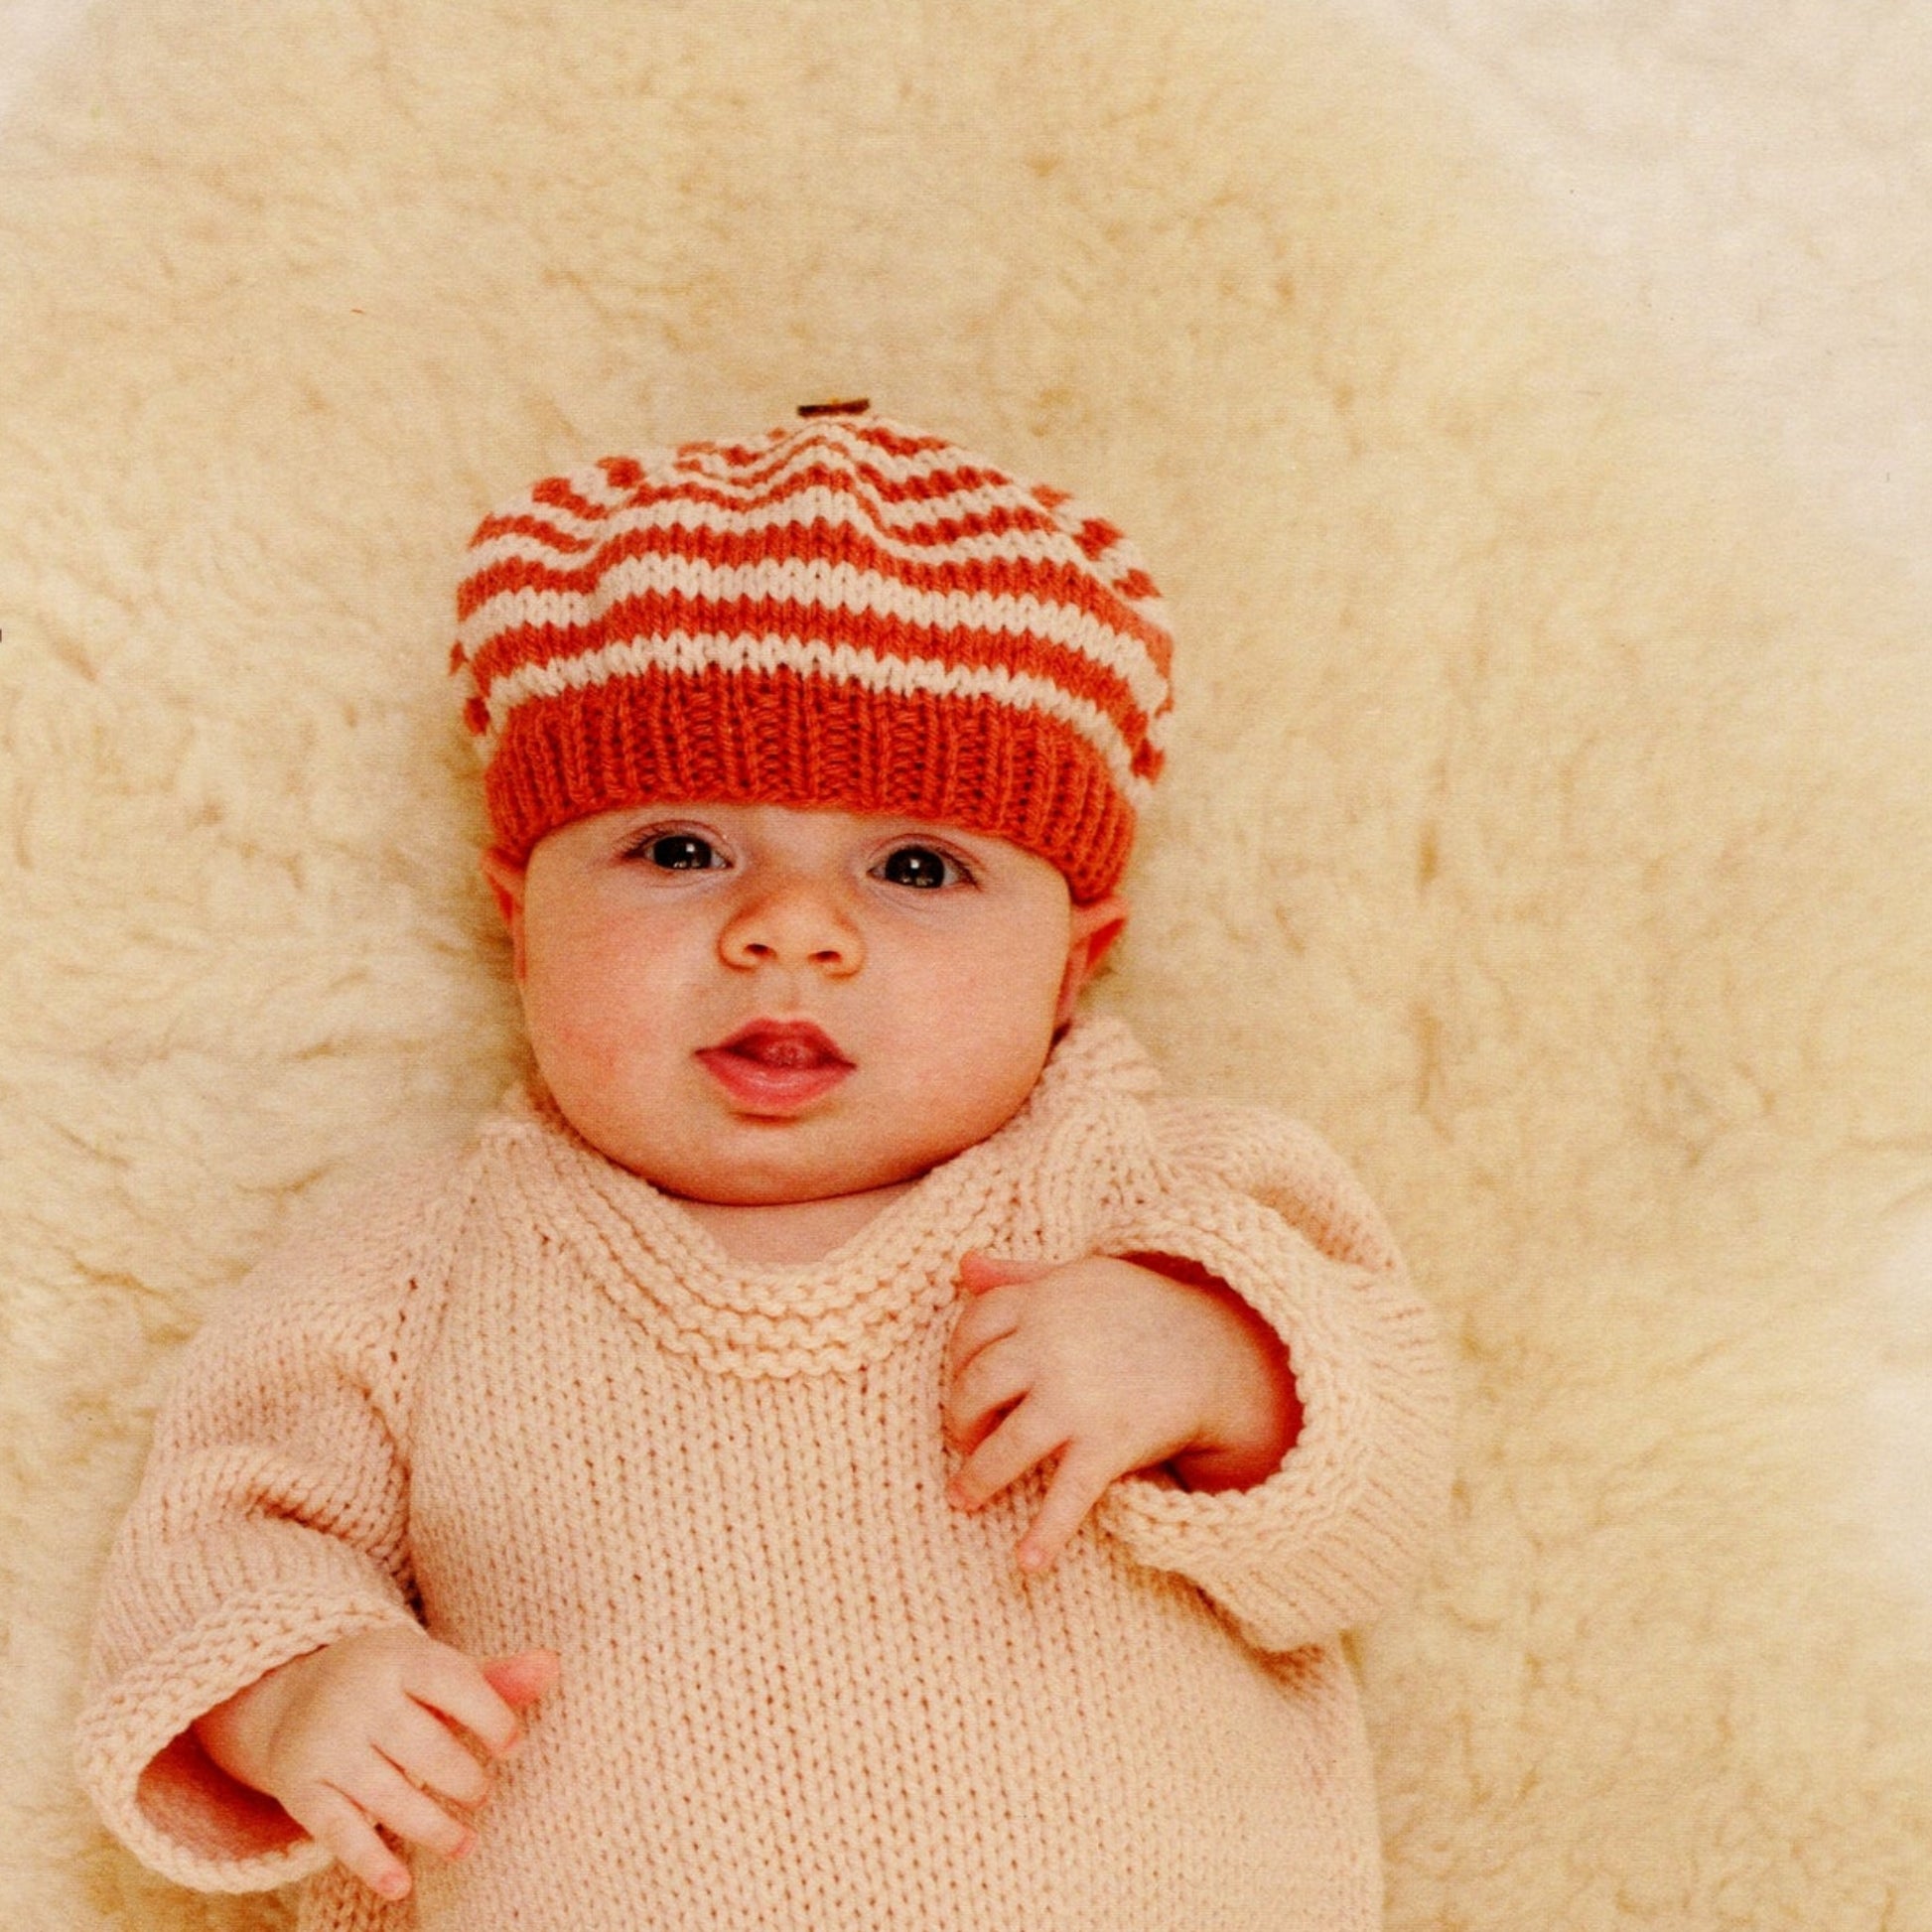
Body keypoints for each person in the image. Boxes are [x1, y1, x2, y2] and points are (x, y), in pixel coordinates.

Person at [75, 412, 1452, 1930]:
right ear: (518, 913)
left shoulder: (1145, 1197)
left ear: (1075, 963)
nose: (792, 929)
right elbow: (221, 1540)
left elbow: (1383, 1492)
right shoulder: (410, 1269)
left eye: (916, 867)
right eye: (680, 849)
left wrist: (1219, 1364)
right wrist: (299, 1694)